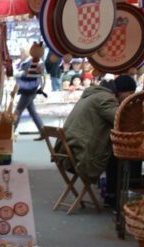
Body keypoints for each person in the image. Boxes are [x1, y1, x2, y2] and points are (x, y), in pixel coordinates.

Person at [59, 74, 138, 207]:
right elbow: (120, 120)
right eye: (130, 94)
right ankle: (114, 196)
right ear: (121, 91)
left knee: (117, 152)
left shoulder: (92, 95)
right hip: (81, 153)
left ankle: (112, 194)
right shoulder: (106, 99)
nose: (130, 98)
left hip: (68, 149)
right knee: (120, 155)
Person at [14, 42, 46, 140]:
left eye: (22, 52)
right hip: (30, 89)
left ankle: (11, 131)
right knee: (32, 112)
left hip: (28, 90)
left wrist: (22, 74)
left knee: (17, 111)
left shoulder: (32, 62)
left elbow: (28, 74)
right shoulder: (31, 61)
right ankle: (43, 132)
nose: (20, 54)